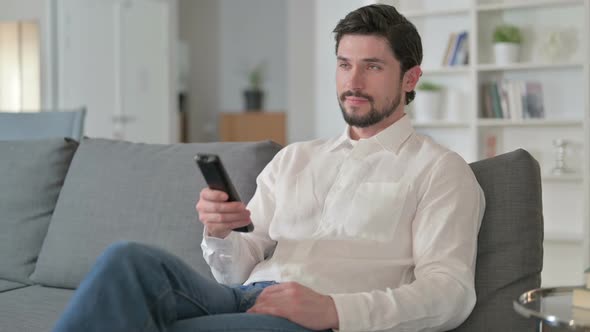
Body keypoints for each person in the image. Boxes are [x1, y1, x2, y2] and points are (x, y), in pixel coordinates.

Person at [53, 4, 485, 332]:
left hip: (315, 319)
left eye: (372, 67)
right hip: (244, 296)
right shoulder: (295, 158)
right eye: (344, 64)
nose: (353, 82)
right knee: (126, 260)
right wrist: (222, 233)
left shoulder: (439, 171)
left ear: (410, 79)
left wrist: (333, 310)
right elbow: (237, 269)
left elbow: (450, 292)